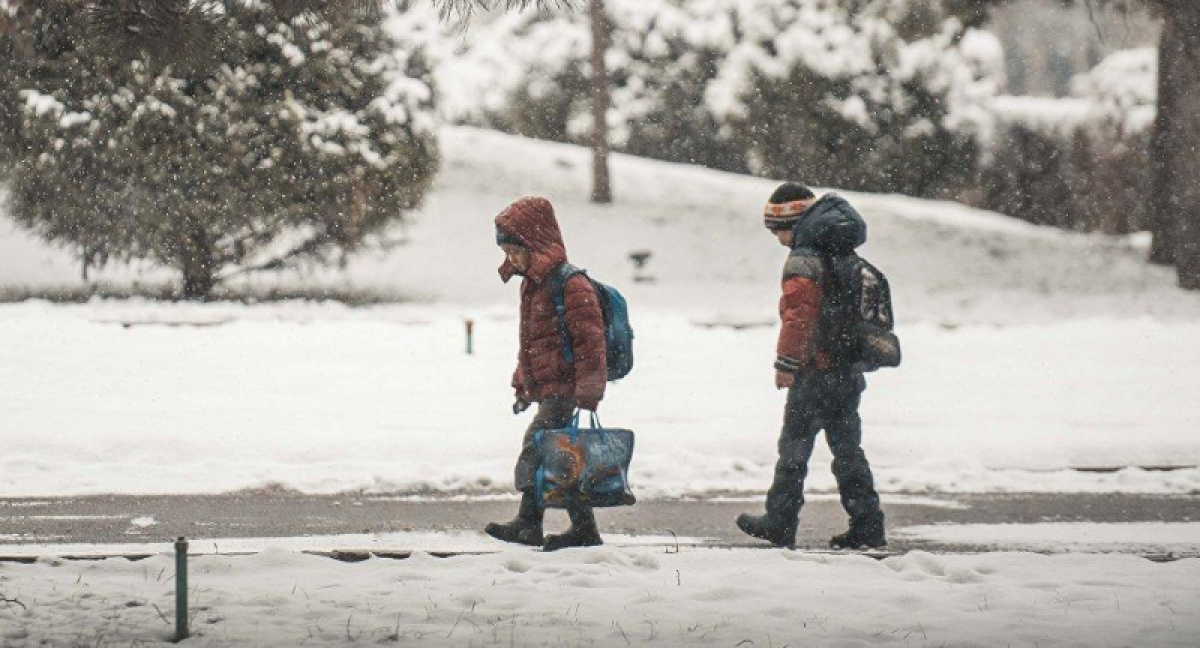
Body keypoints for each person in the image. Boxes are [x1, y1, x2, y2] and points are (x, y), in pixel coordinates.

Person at [737, 183, 887, 550]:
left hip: (815, 370)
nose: (777, 239)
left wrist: (786, 363)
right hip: (846, 369)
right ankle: (868, 524)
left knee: (794, 448)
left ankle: (780, 521)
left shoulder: (804, 258)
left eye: (776, 229)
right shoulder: (843, 249)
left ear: (792, 222)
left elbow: (798, 317)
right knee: (848, 450)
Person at [484, 196, 609, 551]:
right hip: (552, 387)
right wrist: (523, 382)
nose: (511, 260)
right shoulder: (534, 284)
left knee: (538, 448)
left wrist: (589, 389)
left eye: (515, 252)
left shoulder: (571, 285)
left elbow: (591, 342)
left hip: (567, 388)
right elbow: (534, 343)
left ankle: (532, 522)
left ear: (536, 245)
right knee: (558, 456)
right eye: (506, 253)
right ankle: (574, 528)